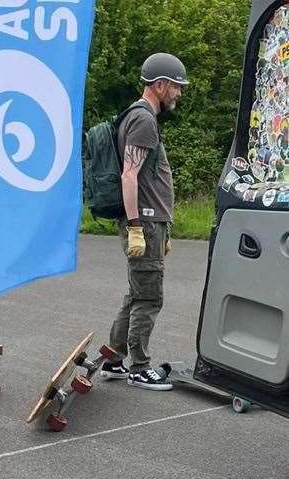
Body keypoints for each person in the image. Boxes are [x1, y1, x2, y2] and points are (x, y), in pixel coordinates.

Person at [99, 53, 188, 390]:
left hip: (151, 223)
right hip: (145, 223)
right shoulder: (143, 120)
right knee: (150, 298)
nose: (178, 93)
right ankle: (139, 367)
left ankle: (113, 359)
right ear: (160, 84)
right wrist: (137, 226)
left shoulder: (139, 117)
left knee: (137, 294)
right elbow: (129, 175)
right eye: (176, 86)